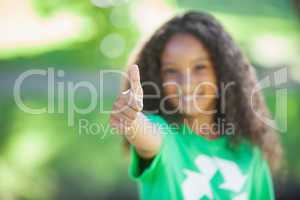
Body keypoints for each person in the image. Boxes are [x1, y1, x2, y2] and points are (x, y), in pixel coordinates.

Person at [109, 11, 283, 200]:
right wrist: (133, 120)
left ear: (223, 72)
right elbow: (148, 137)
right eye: (171, 70)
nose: (186, 83)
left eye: (200, 67)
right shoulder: (168, 139)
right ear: (158, 78)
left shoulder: (250, 153)